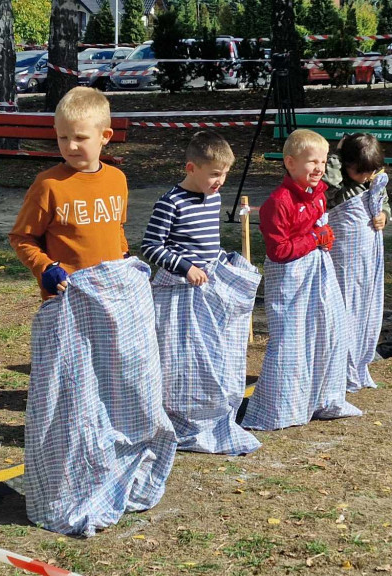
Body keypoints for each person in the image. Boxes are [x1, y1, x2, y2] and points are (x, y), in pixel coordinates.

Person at [9, 87, 176, 536]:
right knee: (75, 399)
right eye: (62, 138)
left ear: (105, 136)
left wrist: (124, 267)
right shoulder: (48, 185)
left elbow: (116, 238)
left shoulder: (117, 181)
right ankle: (72, 478)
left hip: (114, 308)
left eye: (79, 138)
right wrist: (45, 269)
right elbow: (22, 238)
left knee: (122, 389)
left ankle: (121, 470)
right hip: (70, 308)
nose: (69, 146)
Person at [141, 131, 261, 455]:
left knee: (213, 355)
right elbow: (150, 246)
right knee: (183, 357)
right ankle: (179, 419)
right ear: (192, 168)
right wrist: (185, 267)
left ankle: (210, 418)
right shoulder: (170, 202)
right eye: (214, 174)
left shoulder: (215, 197)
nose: (220, 181)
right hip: (180, 292)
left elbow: (209, 241)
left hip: (208, 288)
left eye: (224, 174)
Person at [241, 129, 361, 431]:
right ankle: (280, 406)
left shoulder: (319, 194)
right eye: (311, 162)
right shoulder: (278, 203)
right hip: (291, 280)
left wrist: (323, 240)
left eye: (322, 161)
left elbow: (318, 231)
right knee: (290, 341)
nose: (319, 168)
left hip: (318, 274)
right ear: (290, 163)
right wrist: (314, 239)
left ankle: (323, 397)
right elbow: (279, 251)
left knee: (328, 331)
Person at [325, 133, 388, 392]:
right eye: (359, 171)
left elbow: (384, 201)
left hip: (367, 256)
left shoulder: (374, 182)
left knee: (365, 304)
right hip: (342, 255)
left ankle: (360, 357)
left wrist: (384, 214)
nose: (365, 177)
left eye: (370, 172)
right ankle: (338, 361)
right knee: (342, 304)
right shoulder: (339, 183)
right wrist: (337, 156)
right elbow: (327, 184)